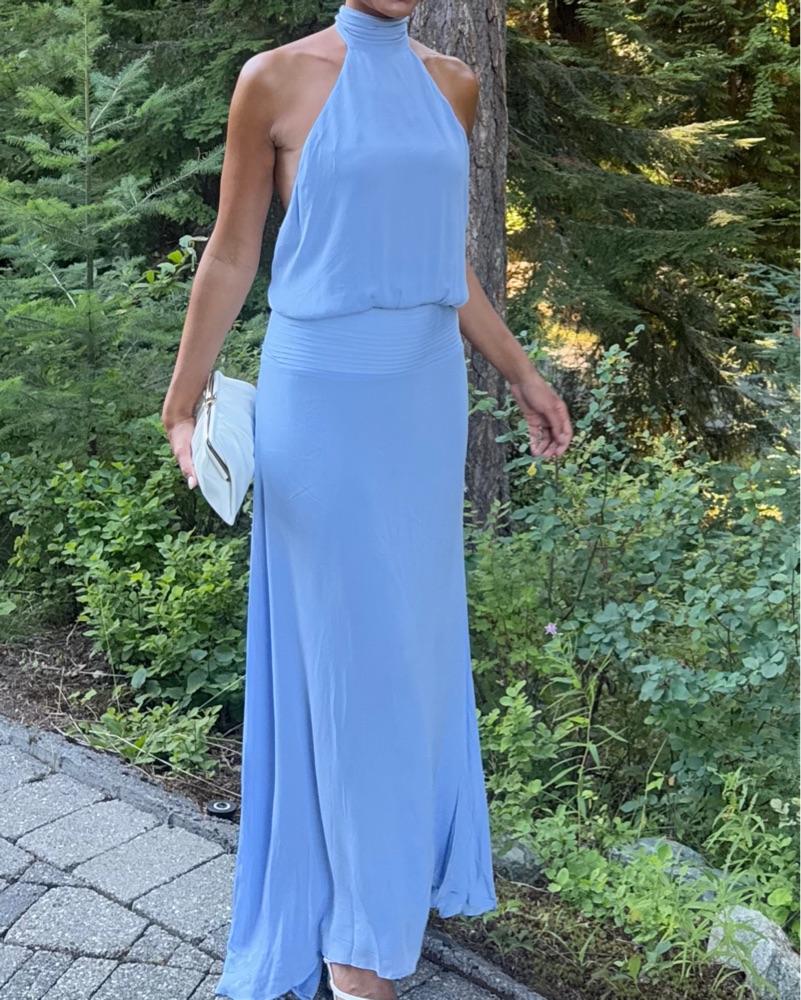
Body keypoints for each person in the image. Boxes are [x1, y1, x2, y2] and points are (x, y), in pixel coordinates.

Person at [161, 2, 573, 999]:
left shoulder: (453, 85)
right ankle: (356, 949)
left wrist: (522, 373)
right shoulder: (273, 78)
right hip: (322, 400)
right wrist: (182, 402)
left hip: (421, 403)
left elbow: (444, 265)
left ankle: (373, 892)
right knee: (351, 664)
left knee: (410, 659)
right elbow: (232, 251)